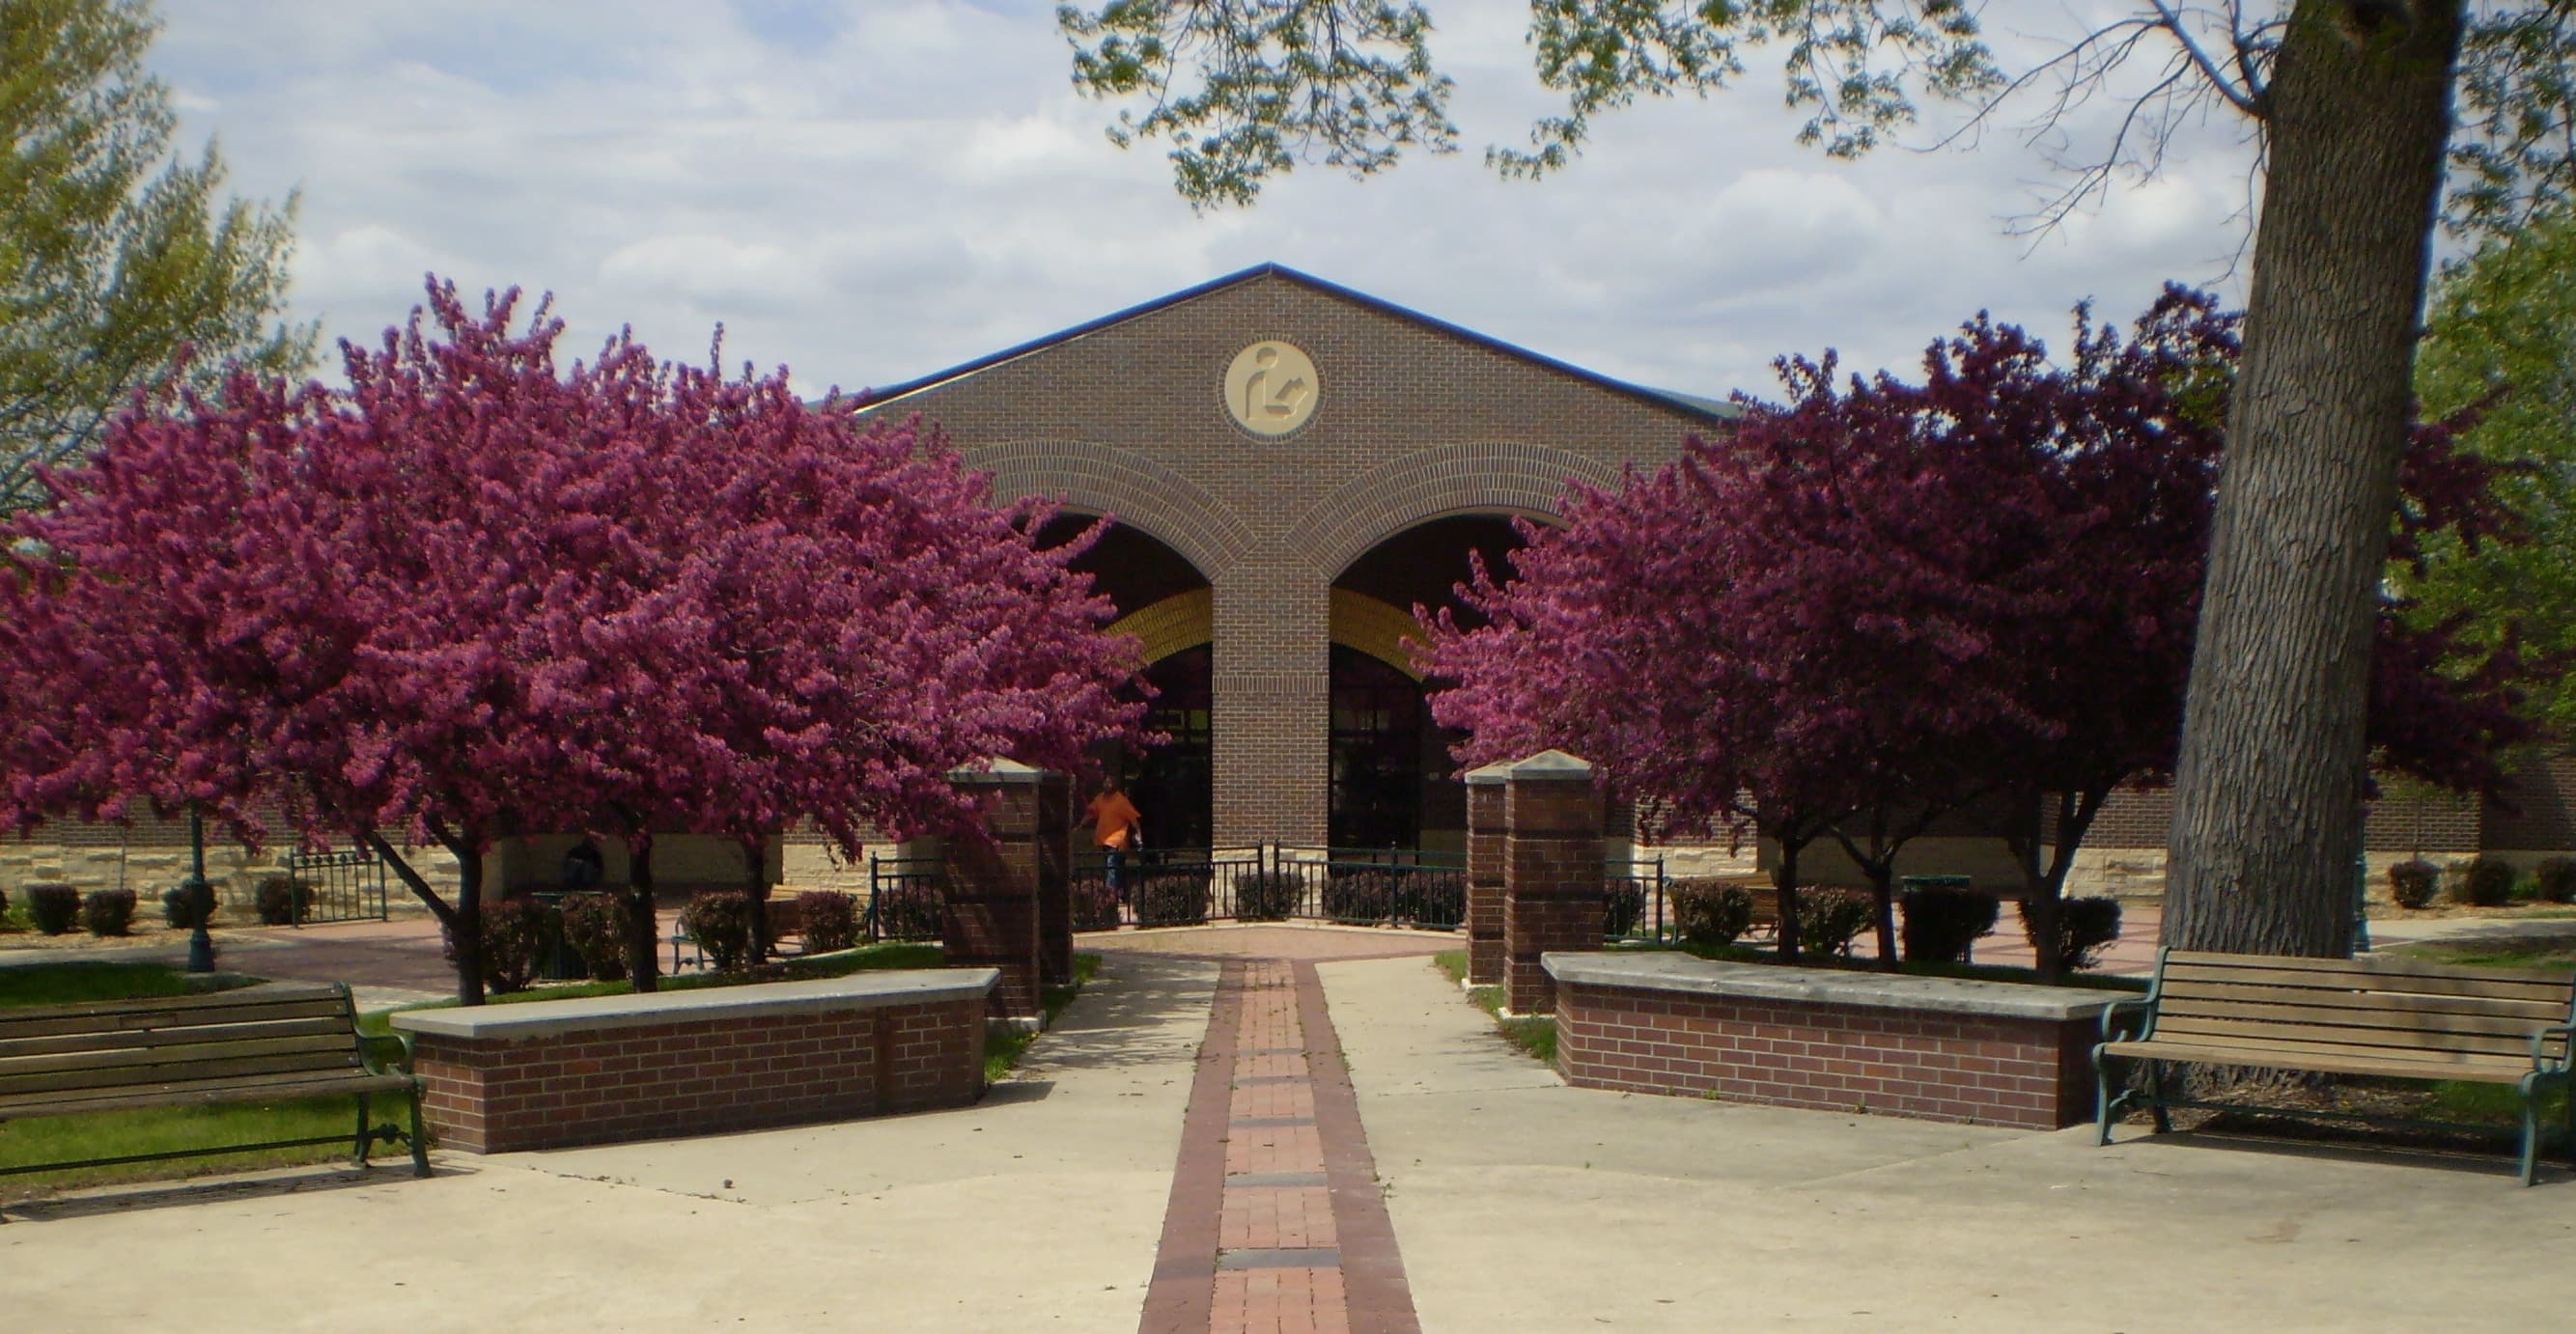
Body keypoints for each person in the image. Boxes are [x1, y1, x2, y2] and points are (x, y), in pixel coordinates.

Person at [1086, 776, 1142, 896]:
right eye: (1105, 782)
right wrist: (1079, 825)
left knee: (1112, 867)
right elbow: (1091, 813)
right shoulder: (1100, 799)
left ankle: (1110, 896)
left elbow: (1133, 819)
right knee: (1116, 868)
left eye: (1110, 782)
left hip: (1117, 840)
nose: (1107, 784)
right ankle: (1121, 894)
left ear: (1115, 785)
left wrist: (1139, 835)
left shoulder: (1121, 801)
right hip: (1104, 839)